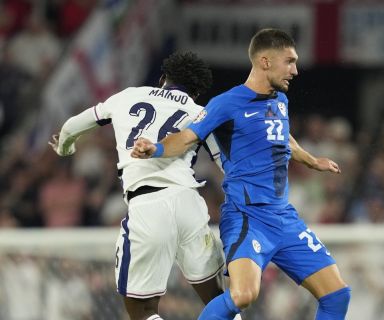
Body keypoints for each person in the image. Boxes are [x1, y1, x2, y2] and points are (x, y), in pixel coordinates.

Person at [131, 28, 351, 319]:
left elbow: (283, 135)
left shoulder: (280, 101)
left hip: (283, 218)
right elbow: (186, 137)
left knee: (337, 295)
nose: (295, 70)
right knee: (243, 295)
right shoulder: (227, 103)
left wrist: (312, 160)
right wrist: (156, 149)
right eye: (289, 61)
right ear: (265, 61)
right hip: (247, 217)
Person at [49, 51, 241, 320]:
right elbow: (228, 166)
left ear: (163, 78)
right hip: (190, 205)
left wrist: (65, 147)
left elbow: (73, 125)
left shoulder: (127, 96)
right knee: (220, 300)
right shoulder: (200, 112)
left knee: (141, 310)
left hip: (147, 205)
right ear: (195, 92)